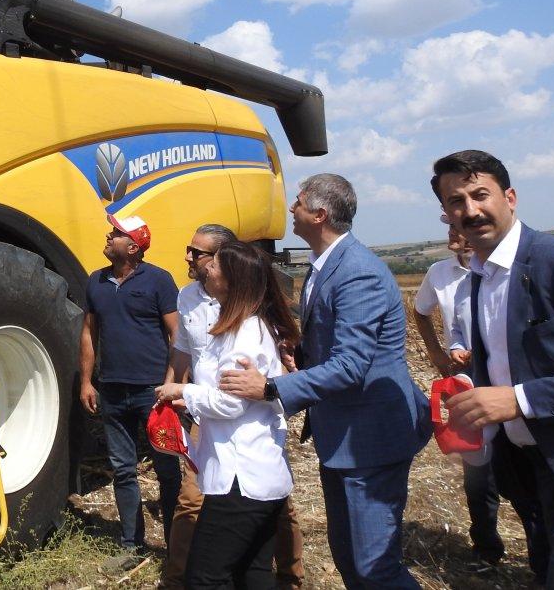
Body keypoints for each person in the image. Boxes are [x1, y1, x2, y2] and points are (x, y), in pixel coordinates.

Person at [220, 174, 431, 589]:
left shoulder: (356, 272)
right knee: (351, 558)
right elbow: (335, 345)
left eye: (297, 202)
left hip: (370, 440)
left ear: (319, 214)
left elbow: (352, 364)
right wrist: (298, 356)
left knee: (375, 567)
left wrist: (270, 388)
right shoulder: (326, 266)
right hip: (343, 437)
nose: (291, 209)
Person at [432, 150, 554, 585]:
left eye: (480, 194)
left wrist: (518, 399)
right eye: (456, 202)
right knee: (543, 571)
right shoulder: (479, 277)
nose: (470, 210)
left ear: (510, 197)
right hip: (524, 468)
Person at [160, 225, 304, 590]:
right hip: (250, 476)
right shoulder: (237, 325)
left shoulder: (245, 333)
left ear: (234, 281)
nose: (205, 269)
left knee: (206, 579)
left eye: (215, 265)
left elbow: (229, 403)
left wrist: (184, 392)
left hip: (241, 478)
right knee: (252, 574)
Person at [79, 213, 181, 571]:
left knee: (168, 472)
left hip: (152, 395)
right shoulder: (97, 281)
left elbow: (177, 336)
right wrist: (87, 381)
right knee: (123, 470)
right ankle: (132, 546)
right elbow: (89, 334)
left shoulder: (159, 281)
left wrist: (170, 384)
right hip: (111, 391)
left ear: (133, 247)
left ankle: (176, 550)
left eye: (116, 233)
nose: (109, 236)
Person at [413, 224, 507, 565]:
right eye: (449, 225)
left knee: (517, 465)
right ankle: (487, 547)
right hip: (466, 382)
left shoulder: (503, 270)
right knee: (476, 471)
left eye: (457, 226)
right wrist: (439, 354)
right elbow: (421, 313)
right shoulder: (440, 272)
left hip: (506, 383)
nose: (452, 232)